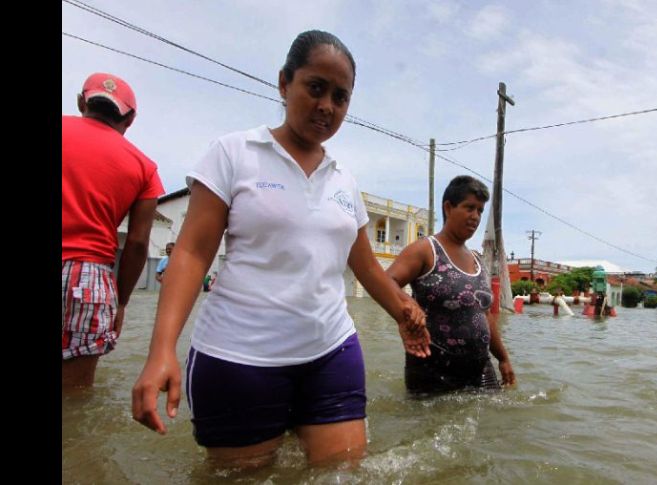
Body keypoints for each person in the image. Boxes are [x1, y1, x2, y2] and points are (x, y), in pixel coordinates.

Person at [131, 30, 429, 469]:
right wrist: (162, 351)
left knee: (342, 475)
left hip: (332, 351)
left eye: (341, 97)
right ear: (284, 82)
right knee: (242, 478)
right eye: (316, 88)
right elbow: (192, 253)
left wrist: (405, 313)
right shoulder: (234, 153)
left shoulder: (343, 180)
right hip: (239, 358)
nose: (327, 105)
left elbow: (365, 266)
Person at [62, 72, 165, 389]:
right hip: (87, 278)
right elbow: (136, 243)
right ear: (130, 119)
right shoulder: (144, 167)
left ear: (82, 101)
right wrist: (121, 303)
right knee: (74, 398)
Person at [386, 176, 516, 394]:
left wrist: (503, 358)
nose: (475, 216)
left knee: (492, 424)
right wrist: (406, 309)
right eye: (469, 208)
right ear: (448, 207)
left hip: (480, 368)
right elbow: (387, 281)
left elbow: (484, 315)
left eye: (480, 211)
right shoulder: (425, 250)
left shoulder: (477, 260)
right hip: (433, 368)